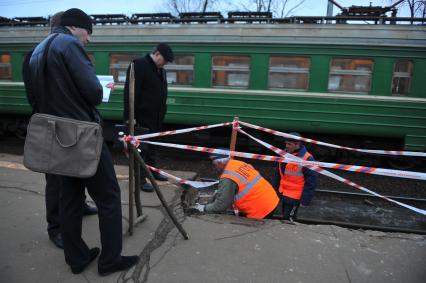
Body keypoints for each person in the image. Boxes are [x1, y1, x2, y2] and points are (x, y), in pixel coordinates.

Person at [28, 8, 139, 275]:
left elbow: (34, 96)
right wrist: (99, 90)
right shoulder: (69, 45)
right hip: (82, 135)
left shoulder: (38, 50)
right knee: (109, 197)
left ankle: (76, 258)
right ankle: (110, 260)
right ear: (77, 28)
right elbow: (92, 92)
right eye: (88, 32)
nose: (88, 39)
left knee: (69, 198)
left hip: (55, 134)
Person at [22, 11, 98, 251]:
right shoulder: (42, 53)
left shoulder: (42, 52)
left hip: (64, 125)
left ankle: (80, 205)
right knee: (55, 180)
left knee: (73, 175)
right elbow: (34, 96)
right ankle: (55, 227)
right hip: (55, 127)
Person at [123, 43, 174, 192]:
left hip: (156, 117)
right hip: (141, 118)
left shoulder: (161, 70)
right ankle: (140, 180)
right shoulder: (138, 65)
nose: (165, 64)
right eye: (165, 60)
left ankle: (153, 171)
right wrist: (129, 117)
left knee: (153, 147)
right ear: (157, 54)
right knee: (140, 150)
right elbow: (130, 93)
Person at [191, 152, 279, 219]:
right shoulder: (237, 163)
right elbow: (226, 192)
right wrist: (212, 200)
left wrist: (204, 208)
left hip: (261, 209)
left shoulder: (228, 177)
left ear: (220, 163)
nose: (214, 169)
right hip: (270, 199)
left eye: (214, 165)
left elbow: (221, 205)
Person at [272, 132, 318, 222]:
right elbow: (278, 173)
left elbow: (312, 181)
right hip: (284, 193)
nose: (286, 146)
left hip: (295, 197)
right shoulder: (285, 154)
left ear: (297, 144)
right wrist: (275, 189)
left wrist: (305, 200)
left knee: (289, 219)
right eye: (286, 143)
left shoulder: (307, 159)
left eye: (289, 144)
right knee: (285, 217)